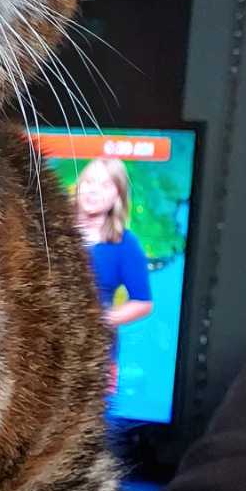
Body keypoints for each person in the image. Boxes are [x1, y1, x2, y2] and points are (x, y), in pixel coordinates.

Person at [74, 158, 153, 394]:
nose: (93, 191)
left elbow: (142, 302)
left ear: (117, 196)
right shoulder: (52, 230)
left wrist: (98, 319)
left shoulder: (125, 244)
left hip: (94, 352)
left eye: (105, 185)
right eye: (89, 182)